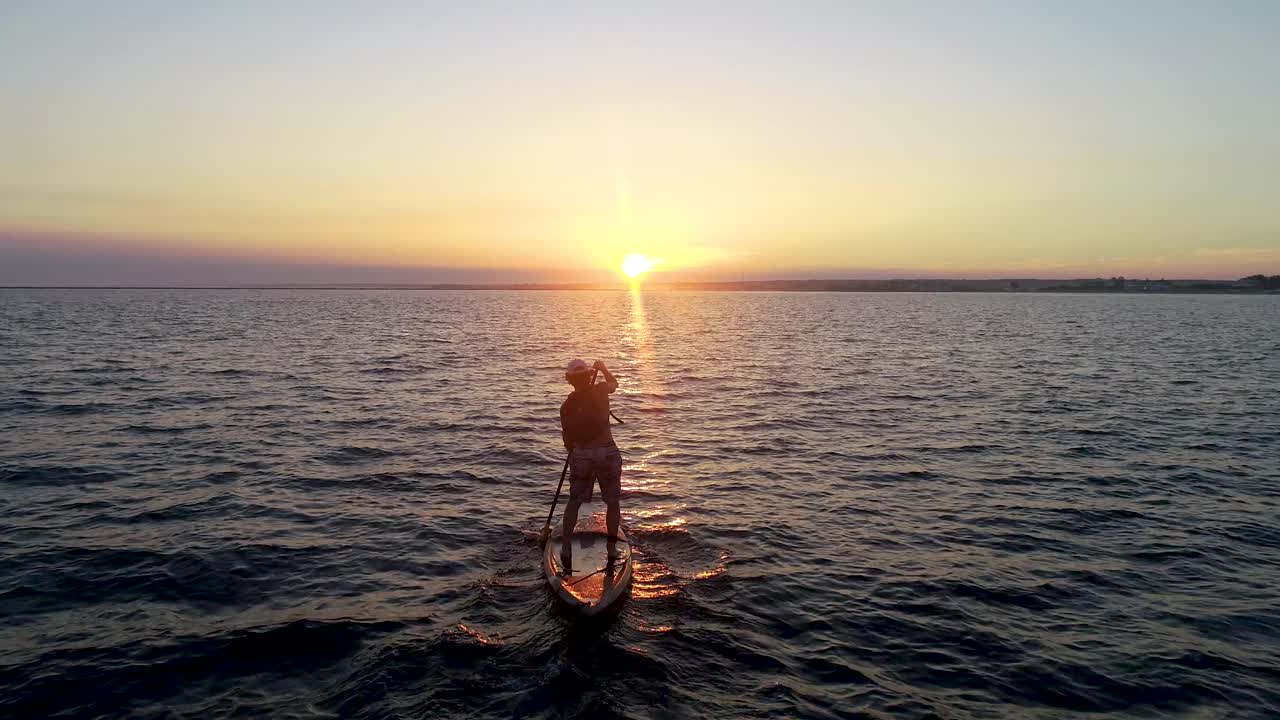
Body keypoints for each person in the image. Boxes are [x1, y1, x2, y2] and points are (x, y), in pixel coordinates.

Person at [558, 358, 621, 571]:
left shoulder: (566, 407)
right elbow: (614, 384)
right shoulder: (601, 390)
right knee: (612, 502)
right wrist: (603, 368)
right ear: (588, 375)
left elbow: (568, 441)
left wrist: (574, 455)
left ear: (570, 380)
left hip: (582, 455)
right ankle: (611, 549)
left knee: (574, 501)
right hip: (607, 452)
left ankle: (566, 548)